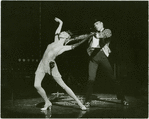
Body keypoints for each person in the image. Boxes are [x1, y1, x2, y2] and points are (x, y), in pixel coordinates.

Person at [34, 17, 94, 111]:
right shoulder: (55, 41)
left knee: (64, 86)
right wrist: (61, 23)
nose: (62, 33)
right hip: (41, 65)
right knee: (36, 85)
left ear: (68, 37)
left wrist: (87, 37)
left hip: (51, 66)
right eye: (62, 32)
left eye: (64, 33)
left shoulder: (64, 47)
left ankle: (80, 104)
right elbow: (57, 32)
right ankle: (47, 102)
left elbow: (76, 45)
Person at [84, 20, 129, 107]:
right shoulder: (92, 33)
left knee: (113, 78)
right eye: (94, 24)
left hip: (102, 55)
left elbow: (104, 35)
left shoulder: (107, 31)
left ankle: (122, 98)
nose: (95, 25)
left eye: (97, 23)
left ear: (101, 24)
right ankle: (88, 100)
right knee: (90, 79)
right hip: (93, 57)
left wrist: (96, 35)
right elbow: (85, 40)